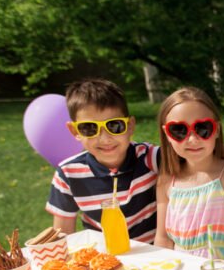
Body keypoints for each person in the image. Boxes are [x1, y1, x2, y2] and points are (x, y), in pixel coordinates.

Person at [46, 79, 159, 243]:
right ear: (74, 131)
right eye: (89, 128)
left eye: (114, 125)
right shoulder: (68, 173)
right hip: (103, 259)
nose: (105, 138)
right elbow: (64, 235)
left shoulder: (150, 158)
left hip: (154, 255)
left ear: (130, 126)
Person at [154, 87, 224, 261]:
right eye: (179, 130)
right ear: (166, 134)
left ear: (216, 129)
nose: (193, 140)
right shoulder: (167, 181)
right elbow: (163, 239)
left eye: (203, 128)